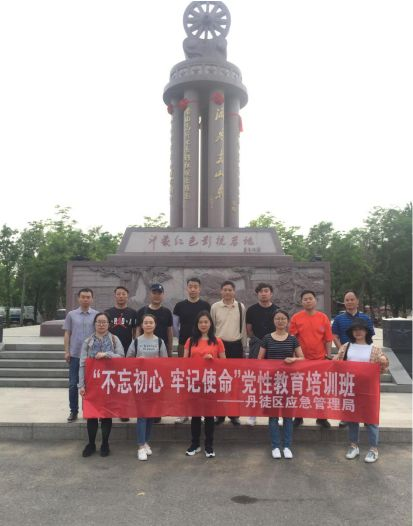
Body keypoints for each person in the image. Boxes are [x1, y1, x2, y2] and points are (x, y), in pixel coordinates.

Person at [334, 318, 388, 463]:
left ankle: (373, 449)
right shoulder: (346, 347)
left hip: (369, 389)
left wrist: (383, 361)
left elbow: (383, 368)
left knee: (371, 418)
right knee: (352, 418)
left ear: (367, 332)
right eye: (355, 329)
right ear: (351, 332)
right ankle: (353, 446)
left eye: (361, 329)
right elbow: (336, 363)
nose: (358, 332)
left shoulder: (374, 349)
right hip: (350, 387)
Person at [258, 310, 304, 459]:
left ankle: (287, 446)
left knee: (288, 416)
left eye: (283, 319)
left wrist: (294, 359)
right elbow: (259, 360)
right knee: (273, 416)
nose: (280, 321)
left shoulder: (292, 339)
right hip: (271, 381)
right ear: (274, 321)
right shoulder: (267, 338)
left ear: (287, 321)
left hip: (288, 382)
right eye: (277, 319)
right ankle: (275, 446)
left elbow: (302, 358)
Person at [78, 312, 124, 457]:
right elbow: (82, 364)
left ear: (109, 324)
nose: (101, 324)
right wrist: (81, 385)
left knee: (106, 414)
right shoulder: (88, 341)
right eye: (99, 322)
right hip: (91, 383)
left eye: (104, 322)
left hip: (109, 383)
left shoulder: (114, 339)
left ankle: (105, 443)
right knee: (91, 415)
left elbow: (121, 357)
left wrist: (107, 354)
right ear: (95, 324)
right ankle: (91, 444)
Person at [184, 311, 226, 458]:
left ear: (210, 324)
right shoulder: (190, 341)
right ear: (197, 324)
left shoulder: (217, 341)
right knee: (195, 415)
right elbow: (184, 362)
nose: (203, 324)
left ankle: (209, 446)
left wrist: (213, 360)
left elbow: (224, 363)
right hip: (194, 381)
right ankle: (194, 444)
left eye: (206, 322)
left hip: (211, 381)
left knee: (209, 415)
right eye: (200, 322)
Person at [127, 314, 168, 461]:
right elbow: (128, 360)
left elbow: (165, 362)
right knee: (142, 414)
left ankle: (145, 442)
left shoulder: (160, 342)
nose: (148, 325)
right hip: (140, 381)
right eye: (146, 322)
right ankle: (140, 446)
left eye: (151, 322)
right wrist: (137, 361)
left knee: (151, 414)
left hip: (154, 382)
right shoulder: (136, 341)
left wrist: (157, 363)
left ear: (155, 325)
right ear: (142, 325)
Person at [289, 290, 333, 428]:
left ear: (315, 300)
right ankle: (298, 416)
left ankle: (321, 417)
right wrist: (295, 357)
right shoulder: (296, 318)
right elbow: (292, 339)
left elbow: (328, 339)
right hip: (302, 360)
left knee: (320, 390)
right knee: (299, 389)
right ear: (301, 302)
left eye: (310, 298)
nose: (308, 301)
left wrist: (328, 356)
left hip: (319, 359)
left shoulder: (323, 318)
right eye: (305, 299)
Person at [332, 290, 375, 428]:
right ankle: (345, 417)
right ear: (344, 302)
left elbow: (370, 338)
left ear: (357, 301)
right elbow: (335, 336)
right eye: (347, 300)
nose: (349, 302)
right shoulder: (339, 319)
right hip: (347, 358)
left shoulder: (365, 318)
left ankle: (365, 416)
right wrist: (342, 350)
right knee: (346, 389)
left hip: (363, 358)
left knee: (363, 390)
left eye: (352, 299)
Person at [173, 277, 210, 424]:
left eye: (195, 286)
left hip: (203, 345)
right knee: (185, 380)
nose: (193, 289)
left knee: (203, 380)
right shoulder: (179, 306)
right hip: (185, 345)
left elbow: (209, 324)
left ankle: (201, 411)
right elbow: (175, 326)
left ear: (199, 288)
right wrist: (183, 338)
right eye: (190, 286)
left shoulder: (205, 305)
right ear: (187, 288)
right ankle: (184, 412)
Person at [211, 280, 247, 426]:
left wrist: (244, 346)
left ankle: (234, 414)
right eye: (225, 289)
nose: (227, 292)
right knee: (219, 381)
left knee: (234, 382)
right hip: (219, 346)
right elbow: (212, 327)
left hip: (236, 346)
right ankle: (219, 414)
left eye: (230, 290)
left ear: (234, 291)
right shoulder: (215, 307)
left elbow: (243, 328)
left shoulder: (240, 306)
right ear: (221, 291)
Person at [245, 282, 279, 425]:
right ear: (257, 294)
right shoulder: (251, 310)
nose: (263, 293)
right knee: (255, 381)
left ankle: (274, 414)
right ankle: (253, 415)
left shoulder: (277, 310)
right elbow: (249, 329)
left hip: (274, 347)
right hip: (257, 346)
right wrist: (257, 341)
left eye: (266, 291)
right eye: (261, 291)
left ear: (271, 293)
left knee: (275, 382)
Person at [63, 288, 98, 423]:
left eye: (88, 297)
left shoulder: (96, 315)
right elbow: (67, 333)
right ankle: (73, 411)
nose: (85, 299)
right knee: (73, 384)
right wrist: (67, 351)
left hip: (91, 356)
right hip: (75, 354)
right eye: (83, 297)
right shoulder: (71, 315)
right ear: (78, 298)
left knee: (90, 385)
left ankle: (88, 410)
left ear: (92, 299)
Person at [105, 286, 138, 422]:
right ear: (115, 296)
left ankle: (124, 411)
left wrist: (134, 349)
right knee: (110, 382)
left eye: (123, 294)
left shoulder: (133, 313)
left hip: (127, 352)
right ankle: (109, 410)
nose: (121, 296)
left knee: (125, 383)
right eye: (118, 294)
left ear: (127, 296)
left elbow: (135, 332)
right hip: (110, 353)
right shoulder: (108, 313)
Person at [137, 284, 173, 357]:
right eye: (154, 293)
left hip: (162, 350)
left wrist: (170, 350)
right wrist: (136, 347)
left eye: (159, 293)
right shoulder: (142, 311)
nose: (156, 296)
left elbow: (169, 332)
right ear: (149, 294)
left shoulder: (167, 312)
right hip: (144, 348)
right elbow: (138, 330)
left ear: (163, 295)